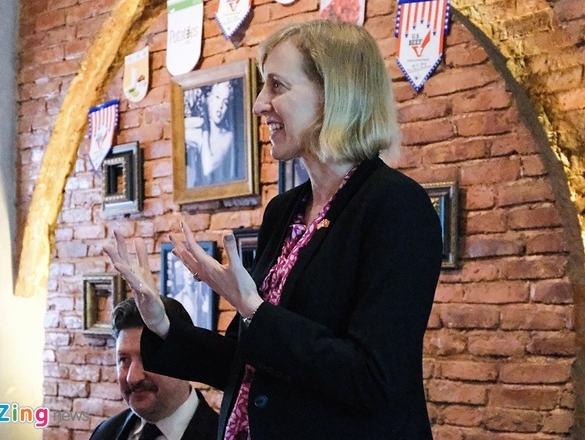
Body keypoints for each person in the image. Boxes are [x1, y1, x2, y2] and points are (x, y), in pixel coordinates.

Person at [105, 19, 442, 440]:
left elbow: (372, 378)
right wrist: (162, 325)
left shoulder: (395, 206)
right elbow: (244, 364)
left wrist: (254, 311)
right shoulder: (285, 210)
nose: (259, 104)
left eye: (277, 86)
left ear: (334, 94)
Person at [89, 297, 219, 440]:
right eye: (124, 360)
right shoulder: (105, 433)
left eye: (149, 358)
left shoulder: (226, 436)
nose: (133, 378)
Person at [184, 80, 245, 187]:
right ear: (209, 99)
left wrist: (205, 133)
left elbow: (208, 167)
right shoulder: (199, 126)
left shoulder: (227, 136)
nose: (221, 106)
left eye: (225, 102)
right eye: (217, 97)